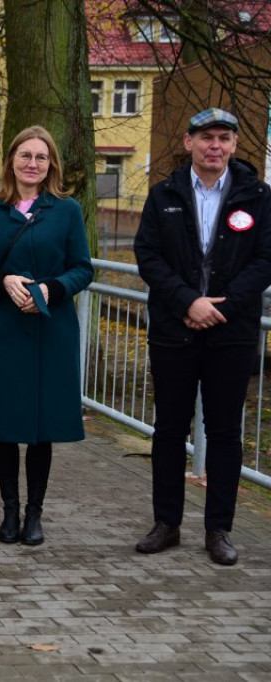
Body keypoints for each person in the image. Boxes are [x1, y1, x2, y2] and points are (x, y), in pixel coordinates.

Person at [133, 108, 271, 566]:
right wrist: (187, 301)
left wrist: (221, 307)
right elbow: (148, 257)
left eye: (225, 138)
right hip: (175, 329)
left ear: (234, 145)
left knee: (225, 432)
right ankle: (166, 523)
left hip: (232, 332)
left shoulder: (257, 196)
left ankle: (219, 529)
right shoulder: (163, 195)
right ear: (189, 141)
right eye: (207, 137)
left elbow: (266, 260)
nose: (216, 145)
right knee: (170, 428)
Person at [0, 126, 93, 546]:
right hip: (3, 329)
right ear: (12, 162)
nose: (32, 163)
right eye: (25, 156)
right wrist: (3, 281)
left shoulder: (66, 210)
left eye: (40, 157)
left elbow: (82, 268)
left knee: (41, 426)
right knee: (7, 423)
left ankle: (34, 515)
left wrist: (51, 291)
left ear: (50, 163)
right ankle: (9, 513)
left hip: (50, 328)